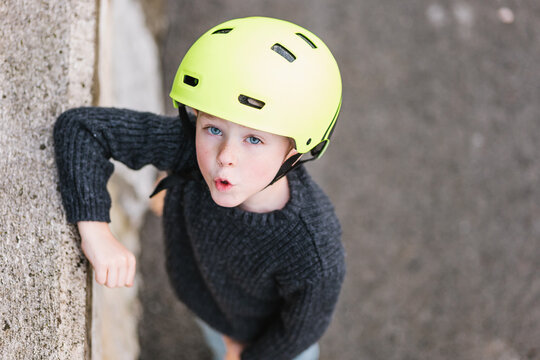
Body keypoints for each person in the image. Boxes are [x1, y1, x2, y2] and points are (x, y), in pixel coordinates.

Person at [54, 16, 345, 360]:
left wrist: (248, 355)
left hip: (270, 343)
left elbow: (301, 329)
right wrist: (95, 230)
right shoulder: (189, 150)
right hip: (207, 307)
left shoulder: (311, 246)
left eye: (254, 139)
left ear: (294, 151)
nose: (225, 158)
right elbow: (81, 128)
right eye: (213, 129)